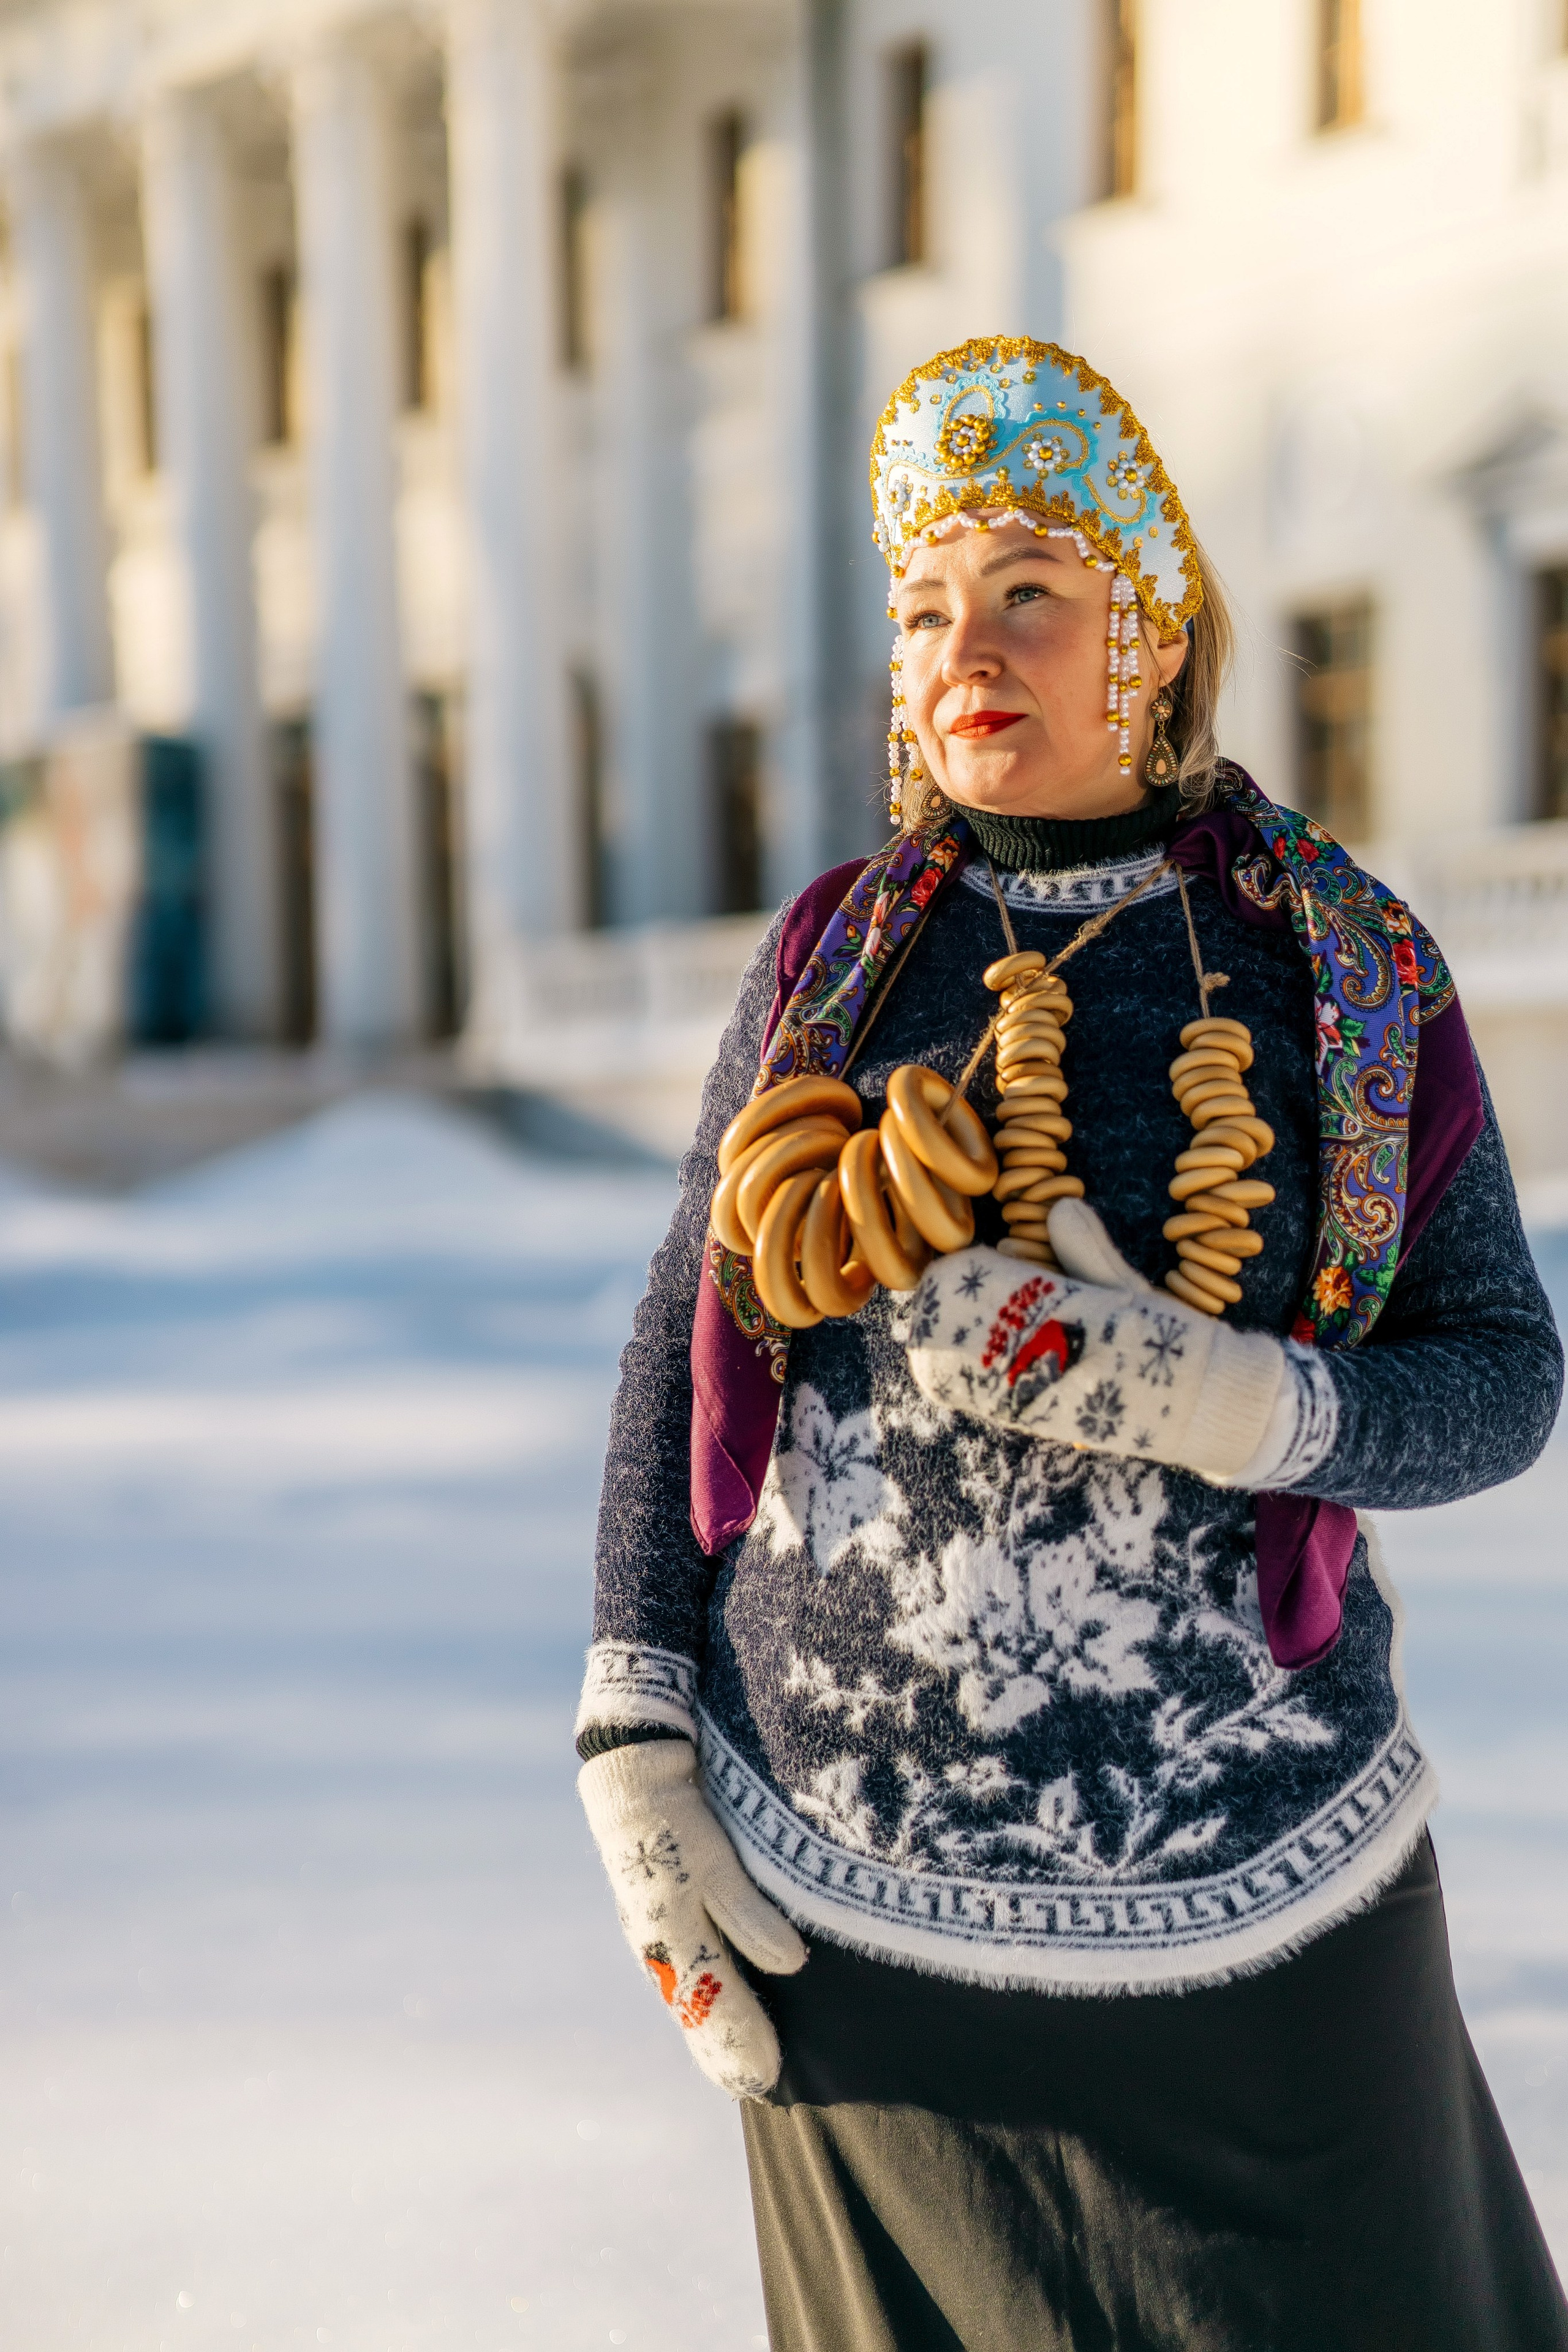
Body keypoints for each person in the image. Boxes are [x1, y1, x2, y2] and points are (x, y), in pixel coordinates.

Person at [574, 336, 1568, 2351]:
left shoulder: (1344, 970)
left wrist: (1257, 1405)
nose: (973, 646)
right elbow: (685, 1332)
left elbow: (1503, 1379)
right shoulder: (832, 960)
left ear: (1161, 633)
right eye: (930, 606)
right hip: (843, 1932)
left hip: (1264, 1913)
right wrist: (634, 1732)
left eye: (1034, 589)